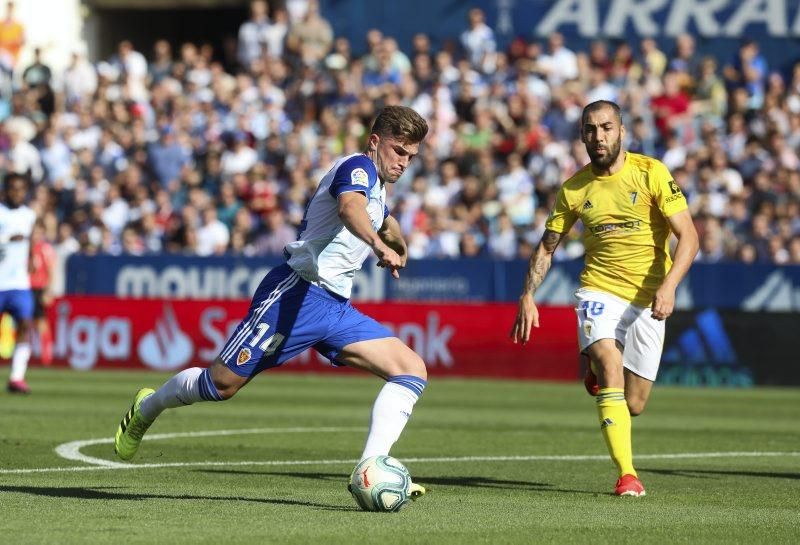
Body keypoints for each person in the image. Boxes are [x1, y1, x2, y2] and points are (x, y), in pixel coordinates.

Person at [114, 106, 430, 498]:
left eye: (412, 157)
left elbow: (379, 214)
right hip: (295, 294)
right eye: (400, 151)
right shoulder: (356, 168)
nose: (405, 162)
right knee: (221, 385)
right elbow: (351, 208)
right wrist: (380, 244)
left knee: (411, 369)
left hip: (334, 308)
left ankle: (370, 467)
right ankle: (148, 407)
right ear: (375, 141)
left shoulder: (378, 184)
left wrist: (395, 238)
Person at [510, 100, 699, 496]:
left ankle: (596, 372)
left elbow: (690, 237)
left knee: (634, 405)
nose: (599, 136)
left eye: (606, 127)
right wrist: (528, 294)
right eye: (591, 129)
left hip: (649, 298)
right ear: (581, 135)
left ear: (622, 131)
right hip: (599, 290)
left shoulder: (651, 172)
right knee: (610, 360)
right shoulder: (575, 189)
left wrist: (669, 287)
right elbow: (547, 247)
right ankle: (627, 474)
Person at [0, 172, 37, 393]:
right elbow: (13, 239)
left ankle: (16, 377)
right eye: (13, 188)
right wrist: (6, 239)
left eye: (21, 189)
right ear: (5, 190)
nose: (17, 193)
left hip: (19, 283)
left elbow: (30, 239)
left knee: (25, 324)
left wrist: (31, 258)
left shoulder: (29, 215)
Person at [29, 220, 55, 365]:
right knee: (22, 322)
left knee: (40, 322)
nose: (36, 235)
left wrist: (48, 291)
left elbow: (51, 271)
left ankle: (46, 356)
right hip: (25, 288)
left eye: (39, 232)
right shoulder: (26, 248)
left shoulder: (45, 249)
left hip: (39, 289)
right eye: (34, 232)